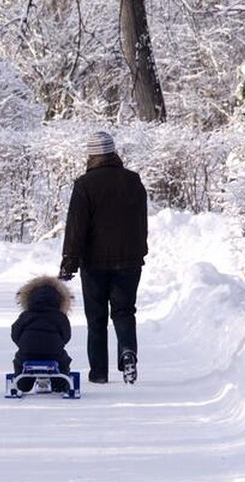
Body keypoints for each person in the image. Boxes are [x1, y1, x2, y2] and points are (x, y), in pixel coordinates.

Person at [59, 131, 148, 385]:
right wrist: (140, 249)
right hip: (130, 261)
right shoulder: (133, 181)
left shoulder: (85, 184)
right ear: (113, 153)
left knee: (96, 318)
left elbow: (76, 226)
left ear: (92, 155)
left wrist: (69, 261)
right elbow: (141, 219)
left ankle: (98, 372)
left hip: (95, 263)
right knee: (124, 312)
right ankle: (128, 352)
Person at [11, 275, 73, 392]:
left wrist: (23, 344)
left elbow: (15, 332)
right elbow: (66, 335)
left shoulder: (26, 315)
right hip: (53, 352)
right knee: (63, 361)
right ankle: (60, 384)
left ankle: (23, 383)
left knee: (19, 360)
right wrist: (58, 343)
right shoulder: (60, 317)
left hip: (28, 352)